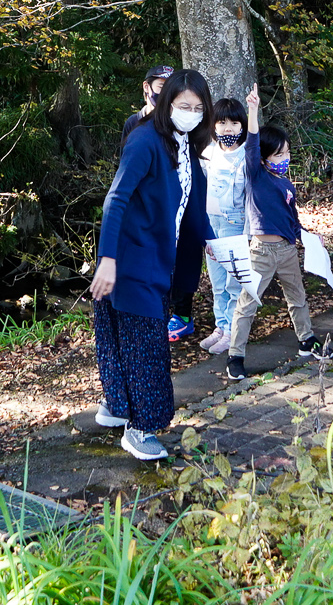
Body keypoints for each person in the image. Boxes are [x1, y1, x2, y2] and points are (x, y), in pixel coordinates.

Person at [92, 69, 210, 461]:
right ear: (165, 104)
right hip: (129, 256)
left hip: (159, 254)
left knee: (122, 334)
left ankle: (119, 405)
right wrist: (108, 260)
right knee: (146, 345)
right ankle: (140, 429)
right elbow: (116, 199)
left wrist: (214, 242)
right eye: (182, 106)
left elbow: (189, 201)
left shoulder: (186, 143)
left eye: (197, 107)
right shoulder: (145, 139)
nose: (190, 113)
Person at [224, 125, 317, 380]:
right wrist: (253, 112)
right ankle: (235, 356)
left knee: (297, 296)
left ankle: (306, 340)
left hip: (287, 249)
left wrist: (306, 235)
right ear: (264, 158)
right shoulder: (256, 175)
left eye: (286, 153)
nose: (284, 159)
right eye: (278, 154)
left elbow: (292, 218)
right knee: (247, 304)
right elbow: (252, 145)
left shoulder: (287, 184)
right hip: (261, 252)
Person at [195, 85, 261, 354]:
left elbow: (250, 194)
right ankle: (220, 326)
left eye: (234, 123)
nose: (228, 129)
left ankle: (233, 332)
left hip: (236, 224)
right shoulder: (208, 153)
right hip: (211, 224)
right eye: (222, 123)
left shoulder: (246, 155)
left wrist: (248, 233)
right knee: (218, 282)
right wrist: (202, 230)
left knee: (235, 282)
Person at [120, 65, 174, 140]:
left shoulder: (176, 122)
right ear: (146, 87)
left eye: (171, 89)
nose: (166, 93)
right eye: (161, 87)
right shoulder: (133, 122)